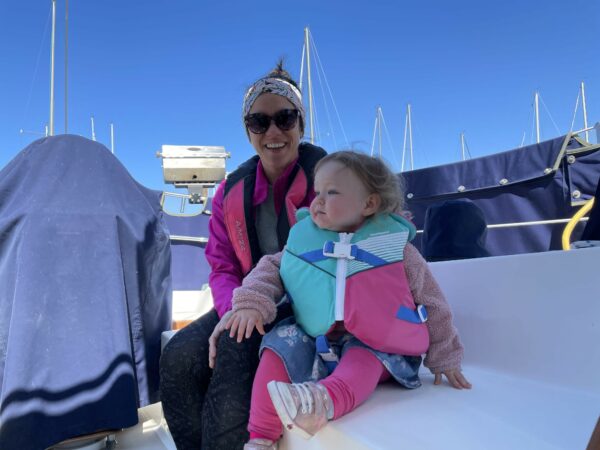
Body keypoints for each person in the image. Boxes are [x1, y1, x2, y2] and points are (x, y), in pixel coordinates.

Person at [220, 151, 472, 450]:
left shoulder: (399, 251)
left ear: (369, 204)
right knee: (277, 348)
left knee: (364, 358)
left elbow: (433, 303)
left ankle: (322, 402)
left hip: (379, 344)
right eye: (317, 192)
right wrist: (250, 303)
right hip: (317, 340)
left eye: (332, 192)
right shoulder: (303, 241)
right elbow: (269, 270)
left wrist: (444, 356)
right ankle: (260, 436)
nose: (318, 201)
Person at [159, 62, 327, 450]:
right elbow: (222, 267)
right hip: (245, 301)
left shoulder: (330, 179)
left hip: (307, 304)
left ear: (301, 124)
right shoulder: (228, 194)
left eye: (285, 118)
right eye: (259, 122)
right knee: (178, 356)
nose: (273, 132)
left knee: (237, 347)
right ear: (248, 130)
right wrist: (232, 310)